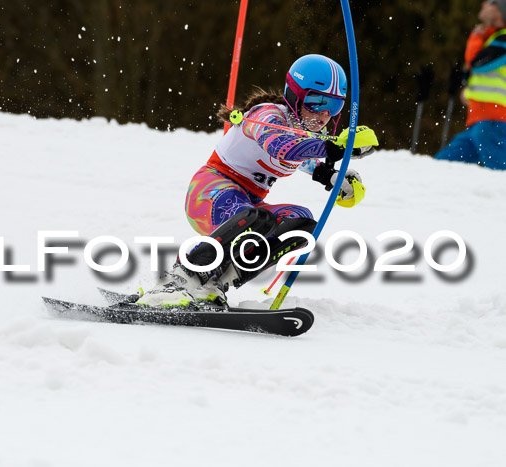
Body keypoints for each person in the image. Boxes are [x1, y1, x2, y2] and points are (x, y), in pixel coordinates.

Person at [137, 54, 379, 308]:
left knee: (302, 224)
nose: (324, 114)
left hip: (247, 203)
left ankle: (216, 282)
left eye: (335, 105)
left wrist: (333, 177)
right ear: (295, 96)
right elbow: (282, 147)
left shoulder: (305, 132)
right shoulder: (268, 116)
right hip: (210, 192)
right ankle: (178, 279)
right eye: (316, 102)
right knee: (256, 220)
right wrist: (335, 148)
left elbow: (305, 158)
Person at [435, 0, 506, 169]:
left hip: (493, 122)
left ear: (499, 10)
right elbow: (484, 75)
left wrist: (475, 37)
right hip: (479, 121)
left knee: (500, 177)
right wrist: (468, 93)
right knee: (438, 168)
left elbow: (477, 64)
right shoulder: (493, 38)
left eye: (489, 2)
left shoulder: (503, 39)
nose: (483, 5)